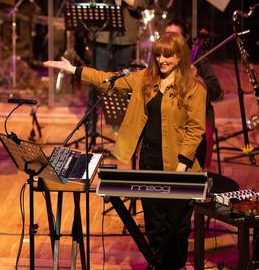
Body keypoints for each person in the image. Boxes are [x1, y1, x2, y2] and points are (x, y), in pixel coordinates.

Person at [44, 32, 206, 268]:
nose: (161, 60)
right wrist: (74, 70)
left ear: (180, 57)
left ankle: (175, 265)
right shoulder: (146, 79)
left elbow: (195, 129)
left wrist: (181, 164)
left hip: (179, 164)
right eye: (158, 54)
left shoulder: (194, 88)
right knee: (154, 223)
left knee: (177, 226)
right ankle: (157, 264)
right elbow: (108, 79)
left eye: (167, 56)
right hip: (150, 159)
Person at [82, 0, 151, 137]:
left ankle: (120, 125)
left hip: (126, 32)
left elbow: (142, 2)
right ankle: (92, 126)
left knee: (123, 82)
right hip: (101, 32)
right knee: (97, 79)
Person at [165, 18, 222, 169]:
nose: (169, 40)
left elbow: (216, 90)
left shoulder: (197, 58)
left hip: (196, 118)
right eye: (166, 35)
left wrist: (198, 79)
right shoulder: (162, 59)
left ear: (184, 39)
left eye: (174, 36)